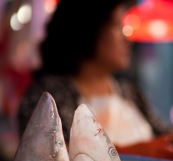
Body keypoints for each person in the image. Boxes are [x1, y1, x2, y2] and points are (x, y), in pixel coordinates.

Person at [18, 0, 171, 146]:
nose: (127, 39)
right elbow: (52, 155)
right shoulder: (50, 95)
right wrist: (143, 151)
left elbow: (165, 138)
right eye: (117, 26)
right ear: (89, 27)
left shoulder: (130, 93)